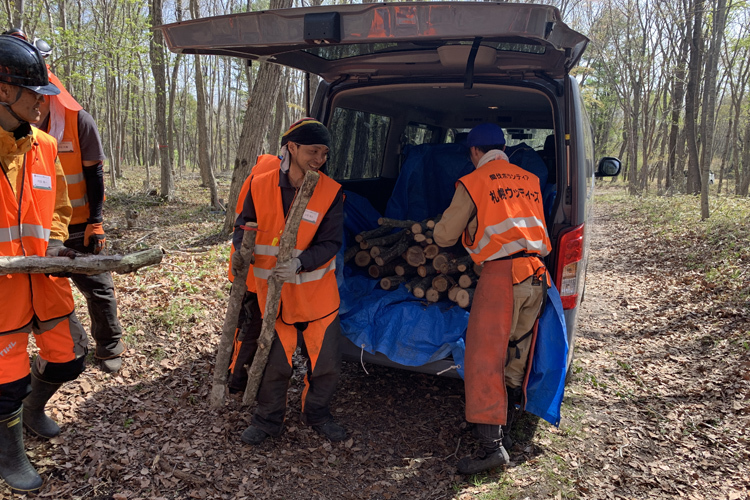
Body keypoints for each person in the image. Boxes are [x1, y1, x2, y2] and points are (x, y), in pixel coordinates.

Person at [433, 123, 551, 475]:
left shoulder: (475, 180)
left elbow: (444, 235)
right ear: (504, 147)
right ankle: (506, 432)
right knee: (517, 353)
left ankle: (491, 448)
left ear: (473, 152)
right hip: (536, 275)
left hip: (501, 277)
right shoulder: (529, 179)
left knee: (485, 358)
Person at [0, 35, 89, 494]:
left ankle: (34, 411)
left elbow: (60, 208)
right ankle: (9, 453)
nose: (42, 103)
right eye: (35, 93)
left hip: (45, 281)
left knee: (72, 358)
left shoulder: (45, 146)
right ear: (4, 91)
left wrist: (55, 243)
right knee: (5, 383)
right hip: (2, 296)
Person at [233, 118, 346, 445]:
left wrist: (299, 262)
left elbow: (330, 243)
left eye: (324, 153)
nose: (319, 159)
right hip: (275, 300)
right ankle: (267, 422)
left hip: (317, 299)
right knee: (274, 365)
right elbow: (244, 226)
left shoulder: (331, 192)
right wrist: (242, 249)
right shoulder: (260, 185)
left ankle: (318, 415)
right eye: (313, 150)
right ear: (291, 147)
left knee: (325, 366)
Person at [35, 51, 125, 374]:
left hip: (80, 224)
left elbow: (95, 176)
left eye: (39, 97)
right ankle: (65, 349)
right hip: (42, 230)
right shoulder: (21, 129)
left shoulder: (79, 122)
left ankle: (109, 345)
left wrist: (96, 222)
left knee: (99, 287)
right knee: (45, 292)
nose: (34, 106)